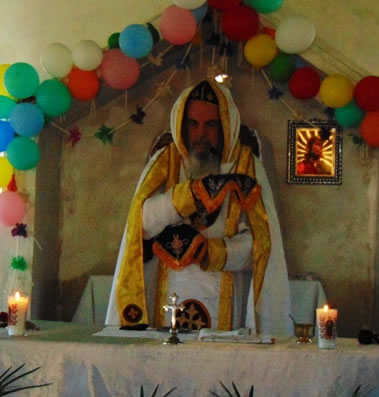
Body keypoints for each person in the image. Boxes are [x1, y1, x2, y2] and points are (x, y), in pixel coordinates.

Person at [105, 80, 292, 336]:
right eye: (193, 124)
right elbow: (141, 223)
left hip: (227, 295)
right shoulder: (165, 161)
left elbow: (262, 246)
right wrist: (189, 195)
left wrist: (211, 251)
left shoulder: (247, 166)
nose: (201, 133)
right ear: (181, 125)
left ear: (225, 125)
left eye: (210, 124)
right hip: (167, 291)